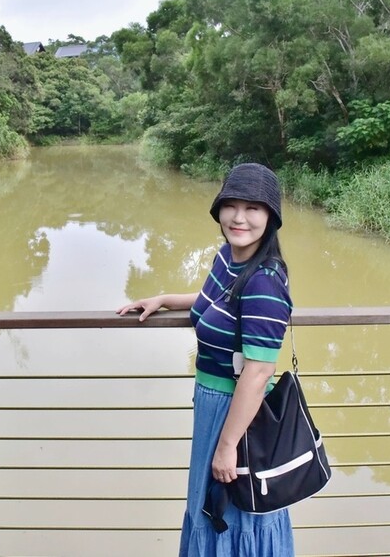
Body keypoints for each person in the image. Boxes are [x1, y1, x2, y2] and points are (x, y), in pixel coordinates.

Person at [117, 163, 295, 556]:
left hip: (239, 415)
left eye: (253, 208)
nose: (239, 217)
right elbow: (212, 303)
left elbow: (260, 368)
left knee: (237, 512)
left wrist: (228, 444)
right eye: (231, 205)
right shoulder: (228, 260)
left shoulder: (264, 280)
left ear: (271, 217)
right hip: (215, 406)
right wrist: (164, 299)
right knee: (211, 507)